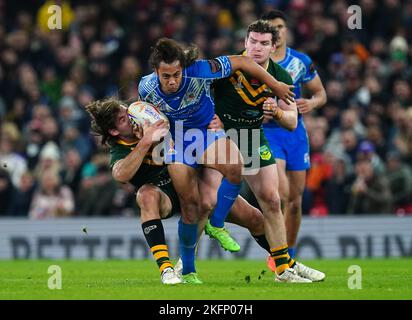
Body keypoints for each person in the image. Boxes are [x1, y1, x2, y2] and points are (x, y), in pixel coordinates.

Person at [138, 38, 295, 283]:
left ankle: (217, 224)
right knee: (190, 208)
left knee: (235, 166)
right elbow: (148, 117)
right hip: (177, 142)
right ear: (156, 71)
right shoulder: (145, 88)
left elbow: (243, 61)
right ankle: (188, 271)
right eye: (165, 76)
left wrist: (275, 85)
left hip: (205, 134)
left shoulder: (200, 70)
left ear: (183, 68)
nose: (172, 81)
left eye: (176, 75)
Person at [84, 98, 279, 284]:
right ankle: (166, 269)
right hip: (165, 194)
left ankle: (283, 263)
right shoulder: (120, 150)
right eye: (123, 119)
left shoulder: (153, 119)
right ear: (114, 131)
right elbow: (120, 175)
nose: (131, 117)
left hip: (195, 185)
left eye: (127, 111)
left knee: (255, 219)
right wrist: (145, 142)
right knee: (145, 195)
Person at [208, 19, 324, 282]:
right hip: (218, 137)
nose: (256, 48)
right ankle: (184, 265)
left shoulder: (281, 77)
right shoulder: (228, 67)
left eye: (263, 43)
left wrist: (277, 112)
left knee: (272, 200)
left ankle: (283, 269)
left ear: (274, 47)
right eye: (252, 42)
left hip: (250, 137)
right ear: (244, 42)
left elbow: (292, 122)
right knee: (203, 202)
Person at [261, 10, 327, 261]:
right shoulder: (256, 62)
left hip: (295, 132)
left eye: (280, 26)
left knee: (296, 202)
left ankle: (290, 252)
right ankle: (279, 255)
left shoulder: (300, 61)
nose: (276, 31)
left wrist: (312, 103)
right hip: (268, 133)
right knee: (281, 195)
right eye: (271, 28)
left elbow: (321, 94)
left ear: (286, 30)